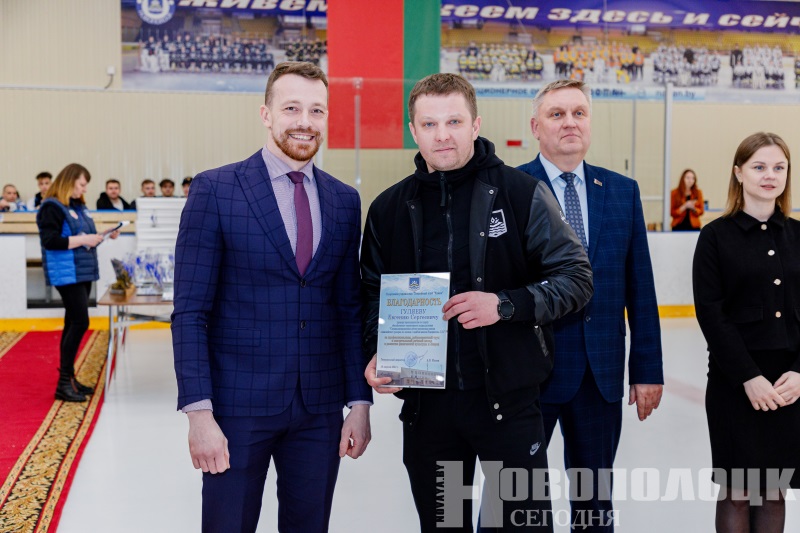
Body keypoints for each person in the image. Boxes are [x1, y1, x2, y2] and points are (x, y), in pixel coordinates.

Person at [362, 73, 594, 532]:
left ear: (475, 125)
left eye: (454, 121)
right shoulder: (389, 208)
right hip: (431, 415)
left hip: (507, 408)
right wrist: (375, 348)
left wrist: (505, 305)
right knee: (446, 524)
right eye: (429, 124)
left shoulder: (520, 194)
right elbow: (372, 293)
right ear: (413, 131)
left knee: (520, 525)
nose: (442, 135)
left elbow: (577, 278)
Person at [172, 61, 372, 533]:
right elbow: (190, 312)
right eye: (292, 108)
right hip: (236, 408)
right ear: (266, 114)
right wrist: (198, 413)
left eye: (316, 110)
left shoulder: (344, 201)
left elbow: (348, 309)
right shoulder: (216, 189)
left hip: (319, 409)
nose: (305, 121)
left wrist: (359, 403)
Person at [517, 79, 663, 532]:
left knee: (594, 502)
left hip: (600, 374)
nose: (570, 123)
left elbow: (640, 288)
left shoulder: (621, 191)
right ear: (535, 126)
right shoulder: (509, 188)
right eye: (557, 114)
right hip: (528, 373)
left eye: (579, 113)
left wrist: (647, 369)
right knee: (513, 497)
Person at [693, 132, 799, 533]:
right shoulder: (715, 237)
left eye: (779, 167)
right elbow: (711, 315)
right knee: (736, 491)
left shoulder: (799, 235)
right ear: (739, 173)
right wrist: (748, 378)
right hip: (734, 382)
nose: (770, 175)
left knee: (773, 491)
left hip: (788, 384)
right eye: (759, 167)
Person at [36, 164, 119, 402]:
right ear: (69, 181)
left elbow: (82, 236)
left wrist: (102, 234)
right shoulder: (51, 206)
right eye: (82, 184)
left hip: (81, 271)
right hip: (66, 273)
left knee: (72, 322)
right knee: (81, 322)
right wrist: (84, 239)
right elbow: (50, 241)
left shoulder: (77, 205)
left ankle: (69, 379)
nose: (84, 189)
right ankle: (64, 382)